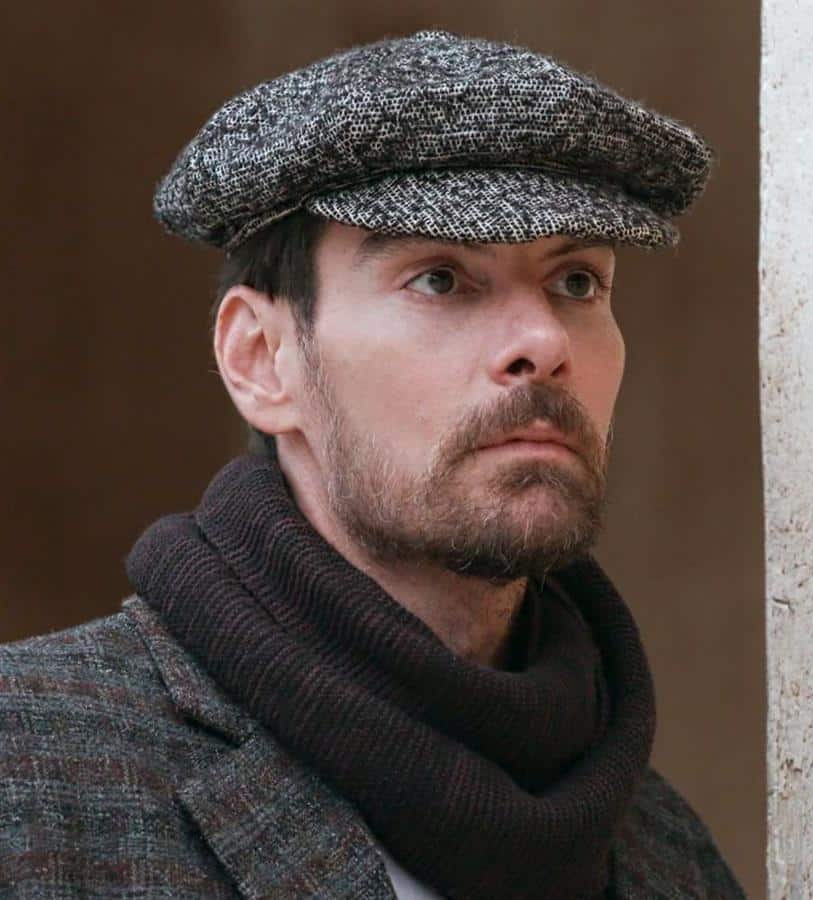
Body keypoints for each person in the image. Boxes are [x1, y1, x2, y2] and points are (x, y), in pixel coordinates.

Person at [0, 30, 746, 900]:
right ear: (261, 360)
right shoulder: (32, 769)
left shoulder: (670, 856)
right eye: (440, 279)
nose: (544, 341)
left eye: (576, 282)